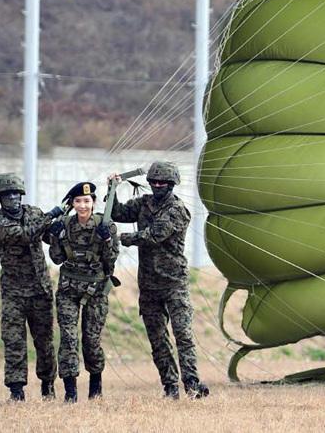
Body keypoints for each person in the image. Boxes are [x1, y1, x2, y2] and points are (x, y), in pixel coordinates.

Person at [110, 161, 209, 399]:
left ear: (172, 184)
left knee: (183, 335)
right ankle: (170, 386)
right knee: (157, 339)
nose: (156, 185)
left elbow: (154, 235)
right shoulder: (144, 203)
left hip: (174, 283)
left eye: (162, 182)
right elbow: (117, 212)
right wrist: (112, 189)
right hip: (149, 284)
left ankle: (192, 384)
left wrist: (122, 237)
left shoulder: (178, 210)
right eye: (153, 182)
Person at [0, 172, 64, 402]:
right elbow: (25, 235)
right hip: (14, 292)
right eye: (7, 195)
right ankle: (16, 391)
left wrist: (60, 229)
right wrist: (50, 215)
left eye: (16, 193)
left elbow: (47, 236)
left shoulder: (33, 213)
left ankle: (48, 386)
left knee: (45, 341)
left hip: (40, 289)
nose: (13, 198)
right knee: (14, 341)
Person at [48, 181, 119, 402]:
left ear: (94, 202)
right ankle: (70, 392)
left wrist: (107, 239)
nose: (82, 206)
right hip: (68, 289)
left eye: (87, 201)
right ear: (72, 204)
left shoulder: (105, 225)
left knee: (91, 340)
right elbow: (57, 259)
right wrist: (55, 238)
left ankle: (95, 388)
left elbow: (111, 260)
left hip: (95, 291)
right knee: (68, 339)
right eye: (78, 201)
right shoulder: (65, 224)